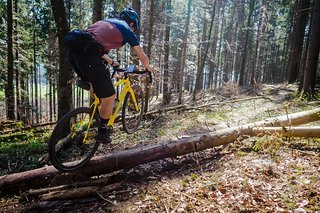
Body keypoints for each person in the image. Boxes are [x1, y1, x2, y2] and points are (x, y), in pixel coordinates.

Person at [64, 8, 153, 144]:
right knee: (110, 96)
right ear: (132, 24)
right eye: (134, 28)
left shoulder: (103, 23)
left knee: (97, 84)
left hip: (73, 56)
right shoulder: (127, 29)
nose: (133, 30)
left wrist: (112, 62)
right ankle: (103, 131)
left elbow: (92, 45)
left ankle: (94, 112)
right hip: (89, 58)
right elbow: (142, 55)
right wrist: (148, 68)